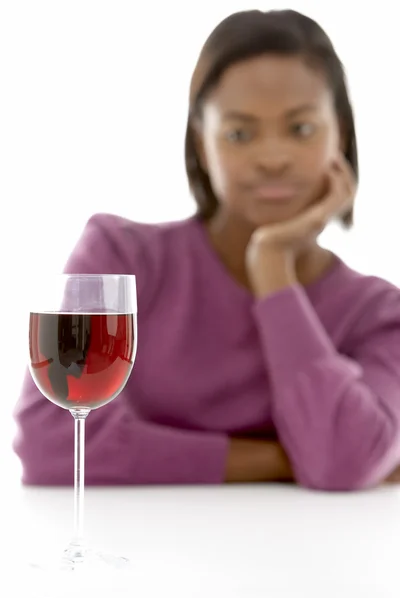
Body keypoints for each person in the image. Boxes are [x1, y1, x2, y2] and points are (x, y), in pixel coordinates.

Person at [13, 9, 400, 490]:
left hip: (301, 559)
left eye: (300, 129)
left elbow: (341, 462)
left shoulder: (380, 313)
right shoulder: (123, 259)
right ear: (202, 140)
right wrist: (284, 459)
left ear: (340, 131)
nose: (272, 158)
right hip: (140, 552)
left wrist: (273, 268)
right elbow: (52, 446)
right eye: (239, 133)